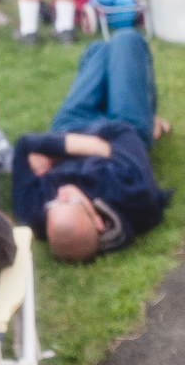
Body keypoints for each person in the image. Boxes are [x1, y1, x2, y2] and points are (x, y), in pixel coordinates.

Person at [11, 30, 171, 261]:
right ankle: (150, 118)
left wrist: (82, 149)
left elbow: (24, 145)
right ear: (98, 220)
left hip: (70, 126)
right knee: (125, 40)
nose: (61, 192)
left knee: (97, 50)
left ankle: (131, 105)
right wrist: (76, 147)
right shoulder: (134, 197)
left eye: (53, 203)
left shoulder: (32, 212)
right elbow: (124, 134)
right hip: (124, 124)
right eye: (71, 201)